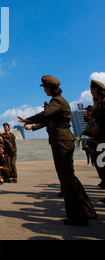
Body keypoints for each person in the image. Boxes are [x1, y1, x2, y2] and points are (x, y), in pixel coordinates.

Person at [18, 75, 97, 226]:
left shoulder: (57, 101)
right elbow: (49, 120)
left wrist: (27, 120)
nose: (44, 91)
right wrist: (33, 127)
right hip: (61, 139)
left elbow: (45, 115)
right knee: (69, 177)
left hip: (62, 140)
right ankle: (87, 211)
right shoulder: (57, 101)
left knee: (67, 179)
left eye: (45, 88)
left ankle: (78, 217)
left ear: (49, 88)